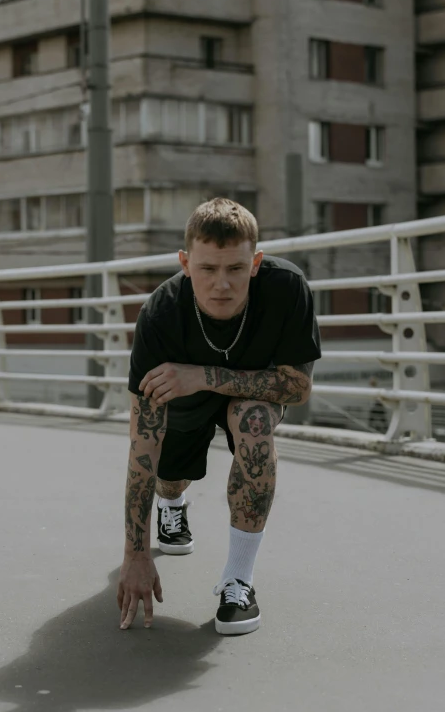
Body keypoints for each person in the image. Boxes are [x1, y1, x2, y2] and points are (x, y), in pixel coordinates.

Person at [117, 197, 322, 635]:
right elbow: (143, 442)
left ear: (256, 262)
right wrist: (135, 554)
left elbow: (298, 388)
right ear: (186, 263)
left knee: (254, 422)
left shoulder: (287, 286)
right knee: (170, 471)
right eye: (208, 269)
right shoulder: (161, 314)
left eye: (235, 268)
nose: (222, 284)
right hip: (183, 398)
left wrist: (204, 375)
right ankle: (173, 504)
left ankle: (239, 580)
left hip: (243, 393)